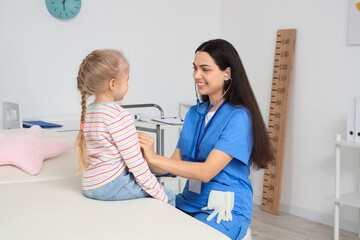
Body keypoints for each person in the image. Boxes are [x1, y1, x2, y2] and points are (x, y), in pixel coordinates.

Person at [138, 39, 274, 239]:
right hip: (189, 201)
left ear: (227, 73)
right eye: (194, 68)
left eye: (205, 69)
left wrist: (155, 157)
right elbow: (174, 166)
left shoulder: (239, 117)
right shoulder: (194, 114)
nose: (196, 75)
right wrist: (139, 158)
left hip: (223, 207)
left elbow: (207, 172)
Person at [75, 49, 175, 206]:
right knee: (170, 195)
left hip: (90, 185)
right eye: (127, 80)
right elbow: (136, 164)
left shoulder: (89, 112)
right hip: (111, 184)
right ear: (113, 84)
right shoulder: (119, 116)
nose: (128, 85)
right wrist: (161, 195)